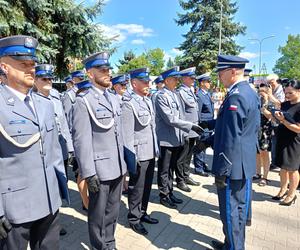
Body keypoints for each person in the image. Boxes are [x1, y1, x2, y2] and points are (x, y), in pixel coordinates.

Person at [0, 35, 68, 249]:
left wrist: (59, 189)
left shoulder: (45, 104)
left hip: (49, 201)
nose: (31, 69)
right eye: (23, 64)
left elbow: (54, 152)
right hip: (15, 207)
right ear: (4, 67)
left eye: (33, 64)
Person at [72, 51, 127, 250]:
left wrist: (125, 164)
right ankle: (99, 246)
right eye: (101, 69)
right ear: (89, 74)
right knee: (97, 214)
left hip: (117, 166)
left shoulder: (113, 98)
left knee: (113, 211)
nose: (107, 72)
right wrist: (88, 172)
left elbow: (119, 134)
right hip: (99, 169)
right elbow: (81, 139)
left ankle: (110, 243)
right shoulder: (83, 101)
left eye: (108, 69)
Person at [209, 55, 260, 250]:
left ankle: (233, 247)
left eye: (221, 73)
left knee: (231, 212)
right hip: (243, 162)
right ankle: (231, 244)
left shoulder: (236, 95)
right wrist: (208, 124)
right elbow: (248, 125)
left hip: (232, 166)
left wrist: (222, 170)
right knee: (238, 210)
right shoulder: (248, 91)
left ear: (232, 71)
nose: (219, 77)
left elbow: (231, 137)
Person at [155, 66, 202, 209]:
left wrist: (184, 133)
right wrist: (190, 126)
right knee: (164, 169)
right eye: (175, 79)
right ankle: (164, 195)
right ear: (168, 80)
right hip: (166, 140)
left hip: (176, 138)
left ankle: (170, 192)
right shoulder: (161, 96)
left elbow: (181, 115)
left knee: (171, 168)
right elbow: (170, 119)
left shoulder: (174, 94)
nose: (177, 81)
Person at [121, 67, 159, 235]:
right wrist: (131, 158)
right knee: (137, 188)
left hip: (150, 151)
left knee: (147, 186)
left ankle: (143, 213)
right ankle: (134, 218)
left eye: (148, 81)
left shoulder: (147, 100)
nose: (148, 84)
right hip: (138, 153)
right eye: (144, 81)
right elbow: (127, 135)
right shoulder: (129, 104)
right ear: (134, 83)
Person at [268, 80, 300, 206]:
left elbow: (298, 129)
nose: (287, 95)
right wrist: (274, 115)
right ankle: (282, 190)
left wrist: (283, 121)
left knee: (292, 169)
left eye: (290, 93)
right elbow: (279, 117)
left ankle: (292, 194)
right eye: (286, 93)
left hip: (294, 141)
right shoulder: (285, 104)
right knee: (283, 167)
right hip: (282, 138)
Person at [176, 67, 201, 192]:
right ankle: (180, 180)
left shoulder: (190, 90)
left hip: (193, 128)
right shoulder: (181, 92)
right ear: (184, 78)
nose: (193, 80)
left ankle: (186, 176)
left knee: (189, 154)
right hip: (186, 128)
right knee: (182, 156)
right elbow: (181, 112)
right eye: (191, 78)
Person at [111, 74, 129, 194]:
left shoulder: (127, 98)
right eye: (122, 85)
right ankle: (121, 186)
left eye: (125, 85)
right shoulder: (113, 100)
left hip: (127, 135)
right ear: (116, 86)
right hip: (118, 136)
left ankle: (125, 184)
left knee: (126, 162)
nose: (124, 87)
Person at [194, 73, 214, 176]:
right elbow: (198, 113)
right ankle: (198, 168)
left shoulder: (207, 94)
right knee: (200, 146)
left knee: (205, 146)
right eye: (208, 81)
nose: (210, 83)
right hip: (203, 125)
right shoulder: (199, 95)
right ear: (202, 83)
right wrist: (200, 127)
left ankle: (202, 165)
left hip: (208, 125)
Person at [265, 74, 285, 169]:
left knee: (278, 141)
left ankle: (278, 162)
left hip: (280, 120)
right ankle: (274, 161)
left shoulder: (282, 90)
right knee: (274, 141)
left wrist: (269, 95)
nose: (270, 84)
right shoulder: (271, 90)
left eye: (272, 82)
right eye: (269, 83)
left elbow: (280, 103)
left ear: (276, 80)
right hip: (272, 119)